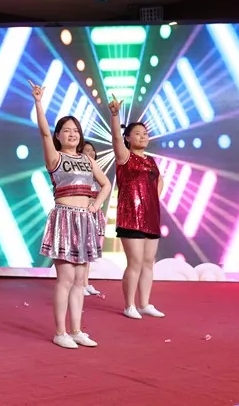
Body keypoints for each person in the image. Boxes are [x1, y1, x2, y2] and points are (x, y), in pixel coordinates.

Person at [30, 80, 111, 349]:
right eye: (66, 130)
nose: (72, 134)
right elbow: (43, 134)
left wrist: (96, 204)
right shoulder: (55, 158)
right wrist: (39, 102)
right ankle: (60, 332)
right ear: (58, 136)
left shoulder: (88, 160)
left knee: (79, 281)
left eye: (76, 130)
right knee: (65, 279)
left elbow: (106, 184)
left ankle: (76, 330)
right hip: (64, 220)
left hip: (85, 221)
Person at [108, 95, 165, 320]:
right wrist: (115, 115)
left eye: (145, 133)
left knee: (149, 262)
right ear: (128, 138)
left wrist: (153, 199)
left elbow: (159, 181)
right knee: (135, 262)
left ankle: (145, 304)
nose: (143, 136)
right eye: (138, 133)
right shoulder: (125, 157)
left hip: (151, 217)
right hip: (130, 217)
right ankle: (129, 305)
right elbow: (115, 137)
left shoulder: (151, 161)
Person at [82, 142, 103, 297]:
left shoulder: (96, 173)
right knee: (81, 250)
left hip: (94, 215)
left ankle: (85, 283)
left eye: (92, 150)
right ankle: (78, 284)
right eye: (86, 150)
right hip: (82, 215)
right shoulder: (79, 173)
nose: (90, 153)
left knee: (88, 251)